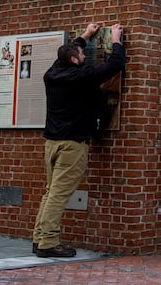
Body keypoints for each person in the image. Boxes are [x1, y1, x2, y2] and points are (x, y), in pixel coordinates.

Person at [32, 23, 125, 258]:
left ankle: (40, 238)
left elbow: (71, 49)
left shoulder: (52, 73)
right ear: (74, 60)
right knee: (59, 195)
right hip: (72, 145)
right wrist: (115, 39)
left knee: (51, 192)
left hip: (52, 143)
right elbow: (115, 64)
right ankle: (48, 242)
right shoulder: (81, 76)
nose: (85, 57)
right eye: (82, 55)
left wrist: (85, 35)